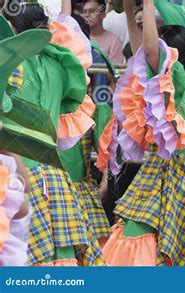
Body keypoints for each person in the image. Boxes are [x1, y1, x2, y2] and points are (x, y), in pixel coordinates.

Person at [102, 0, 185, 266]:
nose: (152, 50)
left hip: (171, 170)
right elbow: (142, 49)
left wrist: (148, 3)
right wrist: (131, 9)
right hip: (174, 171)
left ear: (172, 54)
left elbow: (149, 48)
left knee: (144, 237)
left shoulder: (173, 74)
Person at [3, 0, 104, 266]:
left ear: (14, 29)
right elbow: (72, 99)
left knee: (23, 256)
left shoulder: (11, 69)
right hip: (56, 175)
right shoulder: (61, 64)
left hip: (20, 173)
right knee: (64, 253)